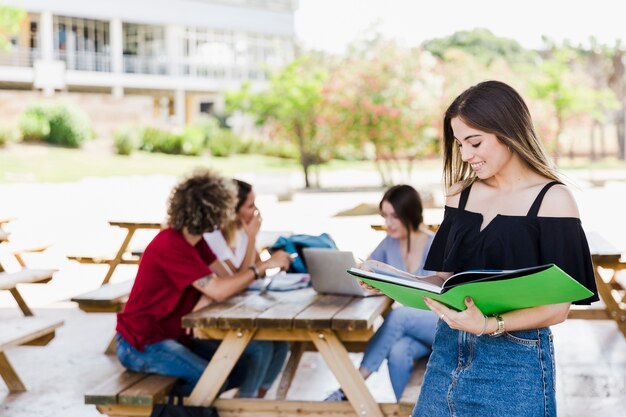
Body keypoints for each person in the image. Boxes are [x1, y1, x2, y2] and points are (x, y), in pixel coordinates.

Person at [411, 81, 598, 417]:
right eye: (459, 144)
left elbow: (558, 308)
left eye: (475, 142)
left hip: (515, 364)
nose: (466, 155)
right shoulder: (460, 194)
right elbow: (445, 279)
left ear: (508, 132)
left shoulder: (553, 201)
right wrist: (388, 279)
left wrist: (487, 325)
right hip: (447, 354)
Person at [115, 170, 292, 398]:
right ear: (214, 212)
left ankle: (242, 409)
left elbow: (228, 280)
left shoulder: (197, 243)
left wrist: (215, 291)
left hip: (175, 336)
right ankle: (170, 411)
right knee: (211, 380)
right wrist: (260, 268)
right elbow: (218, 289)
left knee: (253, 355)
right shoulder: (171, 244)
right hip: (144, 344)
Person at [325, 184, 438, 402]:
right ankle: (406, 412)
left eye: (394, 216)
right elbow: (367, 269)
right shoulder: (389, 243)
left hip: (438, 323)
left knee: (399, 316)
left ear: (410, 214)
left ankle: (353, 385)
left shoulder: (433, 244)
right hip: (412, 330)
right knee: (397, 351)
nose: (388, 223)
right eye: (385, 216)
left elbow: (436, 293)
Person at [203, 179, 260, 274]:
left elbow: (259, 268)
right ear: (233, 212)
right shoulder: (212, 236)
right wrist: (252, 238)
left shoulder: (242, 231)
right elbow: (240, 279)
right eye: (251, 206)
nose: (256, 210)